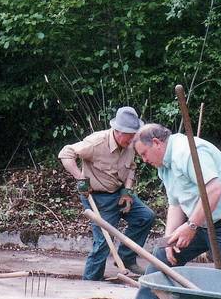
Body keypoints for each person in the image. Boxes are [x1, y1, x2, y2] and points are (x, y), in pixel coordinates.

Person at [132, 123, 221, 299]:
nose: (143, 160)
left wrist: (191, 226)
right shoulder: (164, 166)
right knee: (162, 258)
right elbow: (175, 204)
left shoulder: (188, 152)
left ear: (157, 143)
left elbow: (214, 190)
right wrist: (169, 240)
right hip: (202, 220)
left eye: (144, 153)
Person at [58, 107, 155, 280]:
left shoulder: (131, 143)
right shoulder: (96, 142)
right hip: (97, 196)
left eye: (135, 134)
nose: (134, 139)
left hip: (119, 192)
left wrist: (127, 191)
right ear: (118, 131)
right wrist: (80, 179)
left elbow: (131, 167)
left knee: (145, 217)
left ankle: (126, 257)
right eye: (130, 135)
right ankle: (90, 284)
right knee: (103, 241)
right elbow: (66, 153)